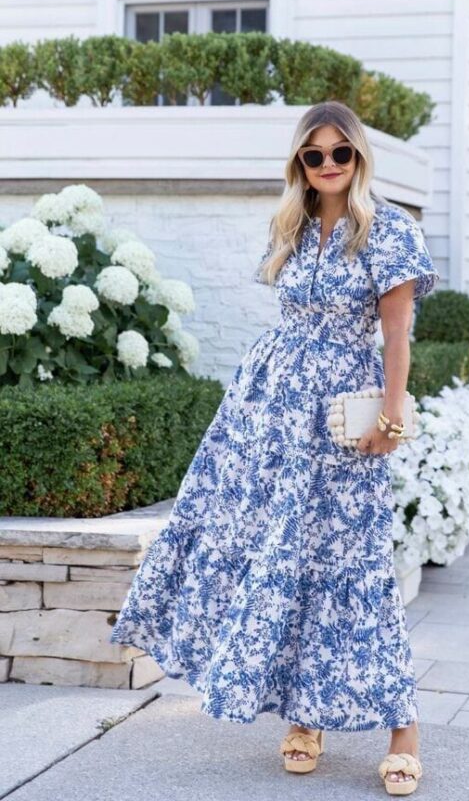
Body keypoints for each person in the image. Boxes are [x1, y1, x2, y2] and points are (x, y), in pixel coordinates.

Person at [109, 100, 440, 795]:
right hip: (268, 416)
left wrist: (391, 416)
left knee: (353, 562)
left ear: (358, 158)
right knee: (278, 557)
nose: (326, 165)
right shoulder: (287, 226)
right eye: (313, 155)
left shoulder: (389, 233)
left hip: (339, 420)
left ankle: (403, 730)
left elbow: (397, 336)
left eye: (338, 153)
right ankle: (303, 718)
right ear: (299, 163)